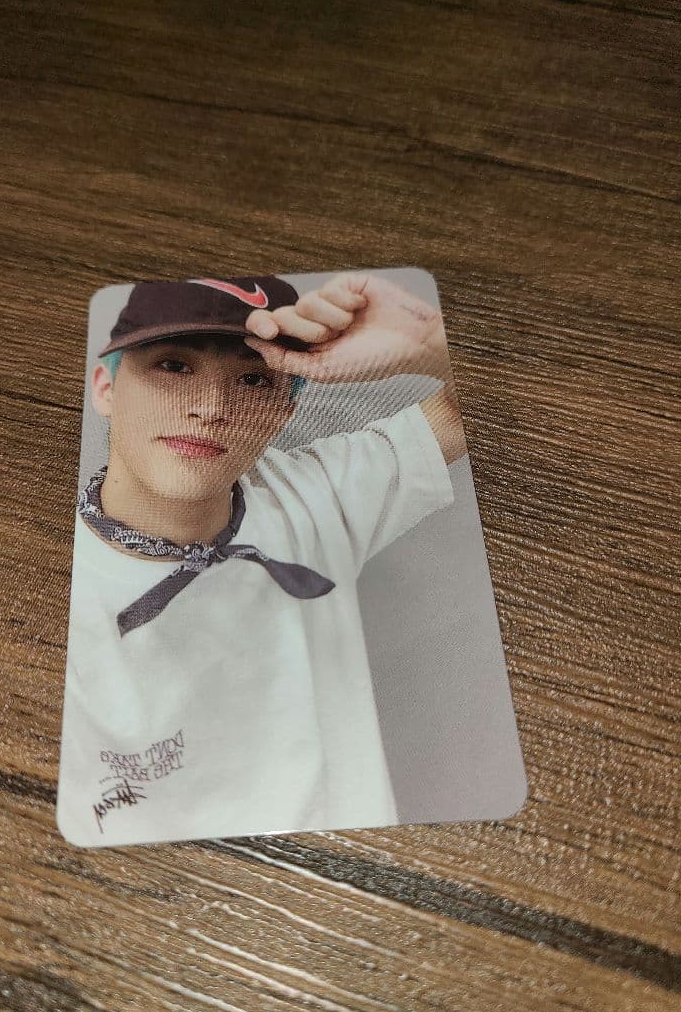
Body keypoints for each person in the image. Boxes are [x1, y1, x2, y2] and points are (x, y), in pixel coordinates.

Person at [57, 271, 467, 847]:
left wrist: (428, 340)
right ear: (106, 388)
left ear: (283, 414)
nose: (211, 409)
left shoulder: (314, 494)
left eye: (252, 379)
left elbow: (481, 408)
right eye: (174, 366)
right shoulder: (40, 575)